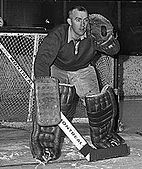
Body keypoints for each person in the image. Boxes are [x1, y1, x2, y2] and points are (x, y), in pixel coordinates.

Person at [30, 5, 124, 163]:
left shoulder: (92, 35)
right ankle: (46, 143)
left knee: (97, 102)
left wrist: (108, 40)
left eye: (85, 20)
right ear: (69, 21)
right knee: (52, 102)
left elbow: (114, 51)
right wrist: (44, 86)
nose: (82, 24)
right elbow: (42, 60)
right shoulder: (58, 35)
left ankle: (104, 137)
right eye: (78, 20)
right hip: (58, 69)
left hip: (83, 70)